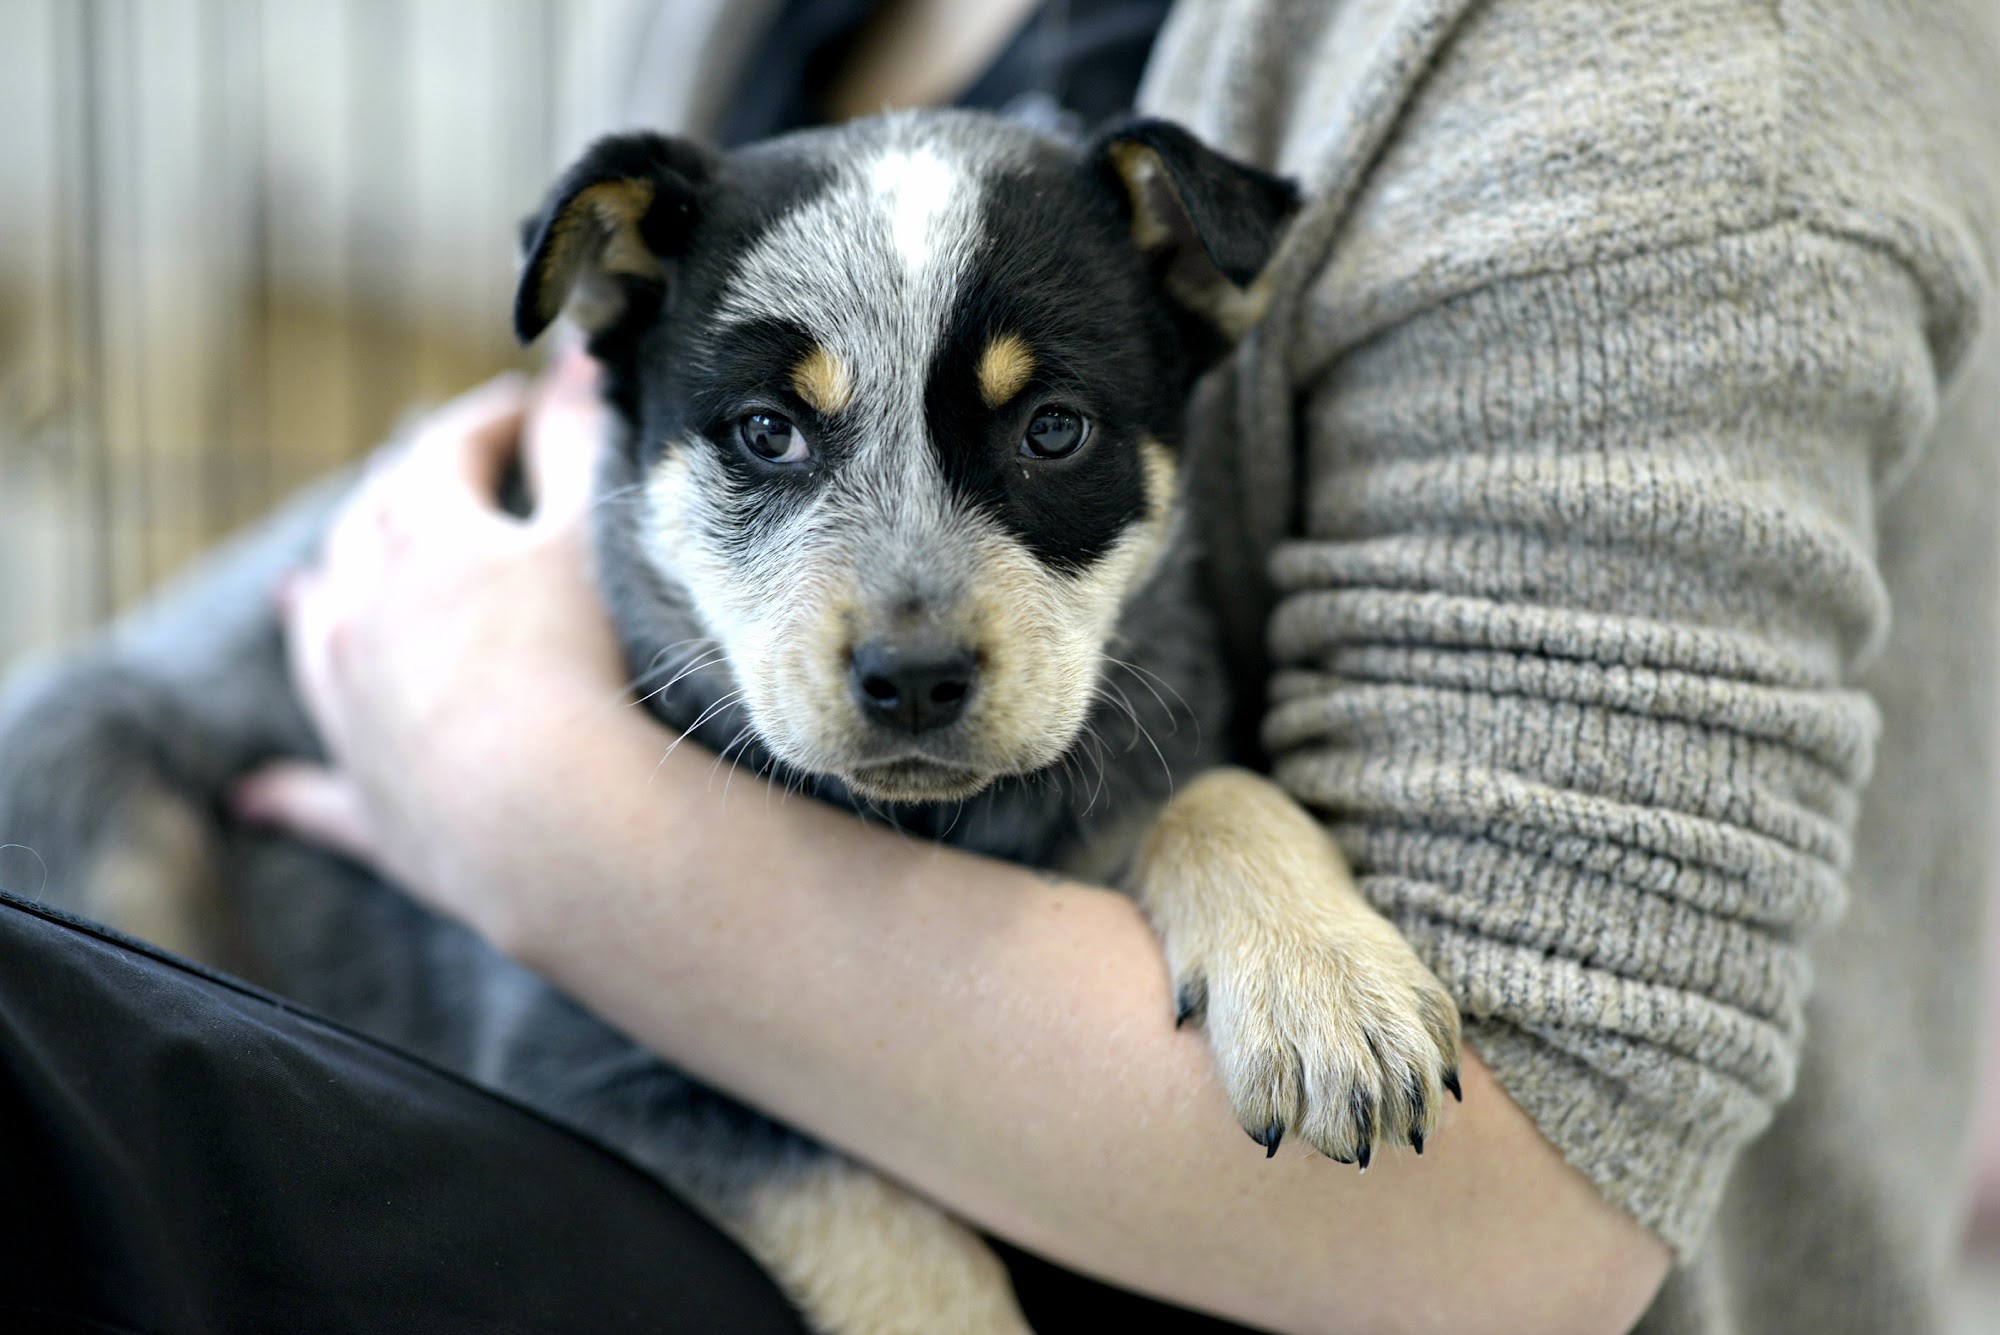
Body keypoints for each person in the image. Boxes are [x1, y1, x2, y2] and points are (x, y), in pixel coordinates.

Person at [17, 1, 2000, 1331]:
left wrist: (524, 779)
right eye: (773, 445)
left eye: (1043, 436)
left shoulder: (1678, 102)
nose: (904, 631)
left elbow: (1524, 1168)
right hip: (225, 865)